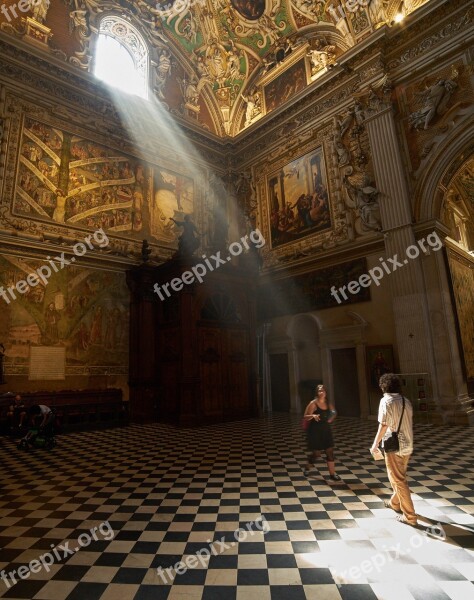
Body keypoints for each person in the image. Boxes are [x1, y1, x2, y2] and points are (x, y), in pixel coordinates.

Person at [370, 373, 417, 527]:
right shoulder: (406, 401)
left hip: (394, 446)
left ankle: (410, 516)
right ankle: (394, 503)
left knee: (398, 480)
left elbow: (383, 425)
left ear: (383, 386)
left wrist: (375, 444)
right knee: (399, 476)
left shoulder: (386, 401)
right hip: (408, 444)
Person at [303, 384, 340, 481]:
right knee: (316, 454)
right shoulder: (313, 403)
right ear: (317, 393)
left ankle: (332, 474)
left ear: (326, 392)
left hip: (326, 430)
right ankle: (307, 467)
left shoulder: (328, 403)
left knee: (330, 452)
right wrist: (313, 416)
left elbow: (334, 412)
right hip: (315, 431)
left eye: (323, 390)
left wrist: (331, 419)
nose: (321, 392)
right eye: (319, 391)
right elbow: (305, 416)